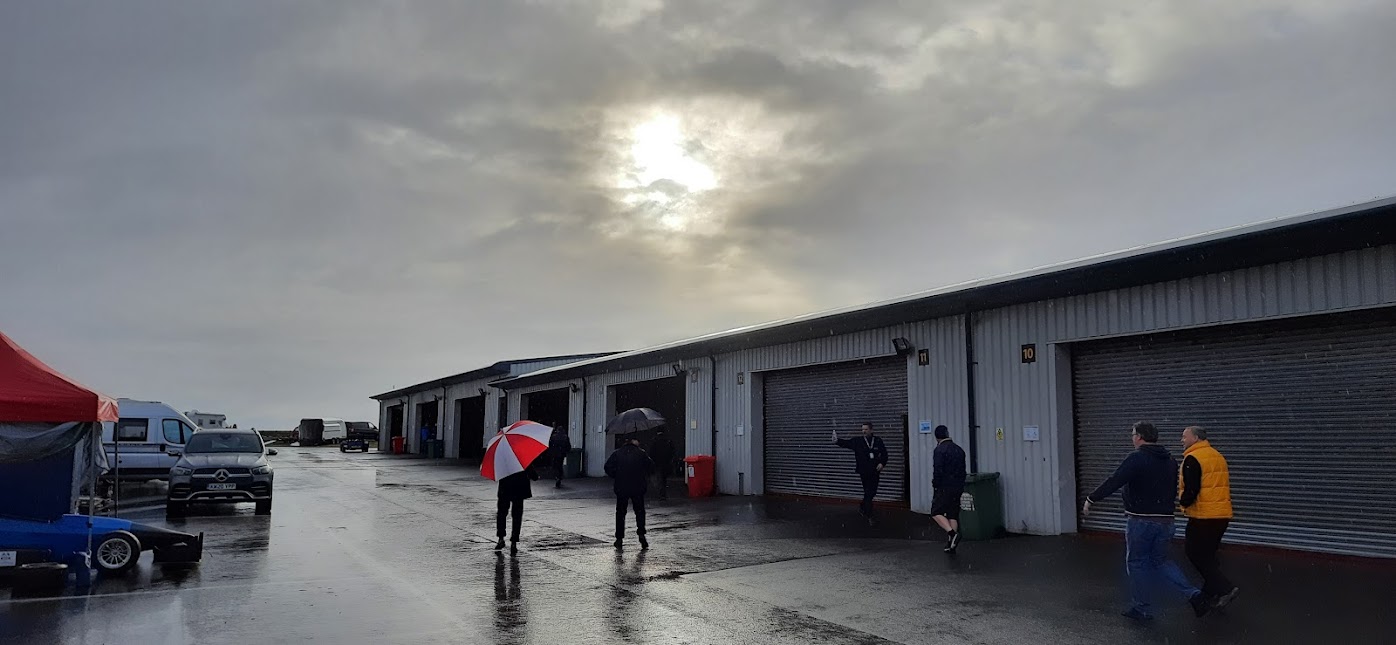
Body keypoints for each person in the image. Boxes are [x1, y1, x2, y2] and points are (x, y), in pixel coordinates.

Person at [1083, 422, 1210, 622]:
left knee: (1136, 563)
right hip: (1166, 521)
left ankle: (1141, 607)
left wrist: (1092, 498)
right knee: (1161, 561)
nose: (1132, 438)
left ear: (1140, 437)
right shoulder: (1169, 460)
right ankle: (1194, 594)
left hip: (1142, 521)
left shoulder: (1137, 458)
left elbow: (1115, 480)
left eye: (1133, 434)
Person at [1179, 425, 1239, 608]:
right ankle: (1210, 591)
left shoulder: (1193, 458)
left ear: (1195, 438)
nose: (1182, 440)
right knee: (1209, 554)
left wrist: (1183, 503)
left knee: (1195, 553)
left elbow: (1192, 488)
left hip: (1203, 516)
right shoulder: (1217, 455)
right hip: (1221, 515)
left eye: (1184, 437)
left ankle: (1225, 588)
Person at [832, 422, 889, 525]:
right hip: (863, 471)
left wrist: (882, 463)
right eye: (862, 429)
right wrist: (837, 441)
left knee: (872, 492)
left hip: (875, 471)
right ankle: (869, 515)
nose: (863, 431)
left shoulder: (877, 441)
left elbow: (884, 454)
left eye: (866, 429)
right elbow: (847, 443)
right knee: (868, 492)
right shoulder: (858, 441)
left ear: (871, 430)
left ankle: (863, 507)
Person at [605, 435, 653, 550]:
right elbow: (651, 467)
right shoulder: (641, 453)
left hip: (622, 487)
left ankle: (619, 538)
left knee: (620, 513)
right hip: (638, 487)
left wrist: (616, 475)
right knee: (640, 511)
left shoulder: (617, 454)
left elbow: (607, 467)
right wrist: (643, 474)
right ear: (634, 441)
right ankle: (641, 535)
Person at [931, 425, 968, 554]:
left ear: (936, 437)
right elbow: (963, 470)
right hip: (957, 486)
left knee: (936, 511)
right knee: (953, 513)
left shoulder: (939, 450)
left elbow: (938, 470)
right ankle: (951, 545)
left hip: (944, 486)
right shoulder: (959, 449)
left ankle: (952, 534)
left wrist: (936, 483)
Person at [495, 463, 539, 555]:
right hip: (519, 488)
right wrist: (535, 476)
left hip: (505, 487)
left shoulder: (503, 456)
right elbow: (530, 469)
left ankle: (501, 538)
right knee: (517, 516)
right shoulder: (521, 456)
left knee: (502, 513)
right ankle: (514, 542)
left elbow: (497, 471)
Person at [648, 429, 675, 500]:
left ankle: (661, 493)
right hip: (666, 463)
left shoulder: (654, 441)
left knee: (659, 479)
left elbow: (651, 453)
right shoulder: (668, 441)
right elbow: (672, 452)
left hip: (657, 463)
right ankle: (663, 493)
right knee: (664, 479)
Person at [548, 424, 572, 488]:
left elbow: (550, 445)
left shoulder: (553, 437)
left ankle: (557, 477)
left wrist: (551, 452)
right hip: (561, 454)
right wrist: (565, 451)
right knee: (560, 465)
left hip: (554, 454)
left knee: (555, 466)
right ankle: (560, 477)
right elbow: (568, 447)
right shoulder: (565, 437)